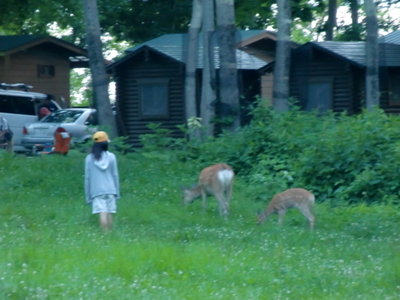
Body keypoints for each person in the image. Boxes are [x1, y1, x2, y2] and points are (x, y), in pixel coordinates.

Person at [85, 131, 120, 231]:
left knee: (102, 212)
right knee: (109, 212)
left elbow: (88, 178)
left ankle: (105, 235)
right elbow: (115, 176)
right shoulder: (112, 157)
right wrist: (117, 192)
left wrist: (88, 196)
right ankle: (110, 233)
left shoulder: (89, 159)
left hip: (97, 190)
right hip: (111, 189)